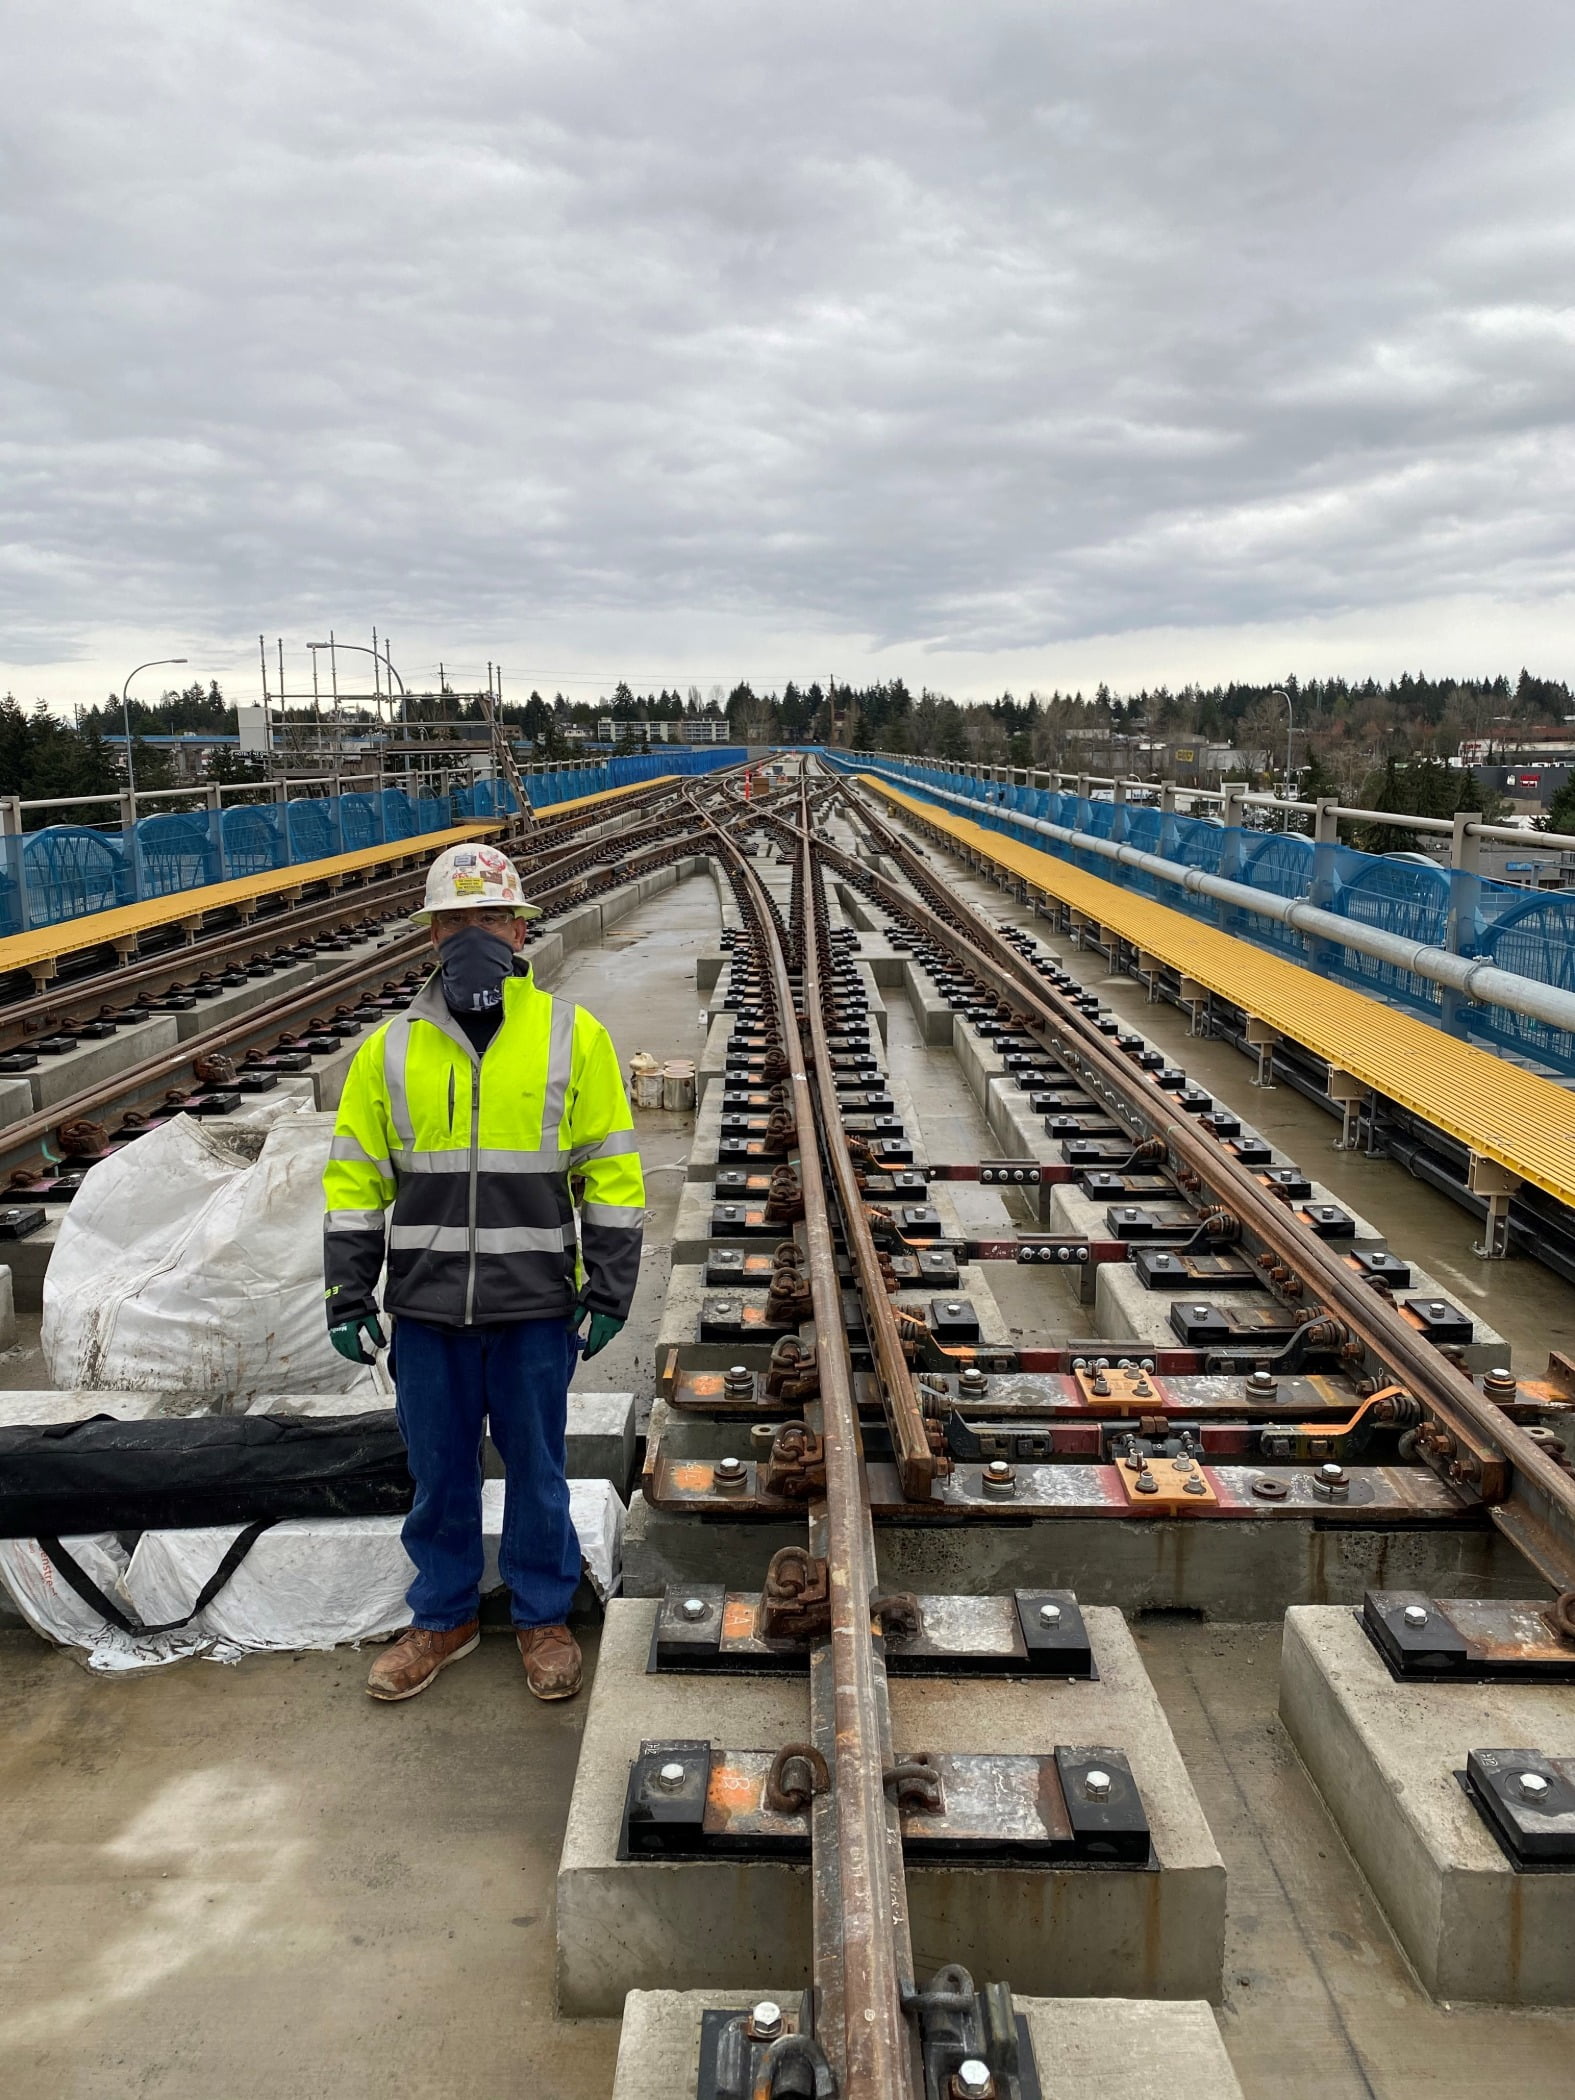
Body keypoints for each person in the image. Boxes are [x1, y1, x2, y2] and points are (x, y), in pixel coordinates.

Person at [321, 838, 644, 1702]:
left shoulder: (572, 1038)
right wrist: (347, 1291)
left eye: (490, 917)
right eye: (457, 918)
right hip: (426, 1308)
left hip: (535, 1305)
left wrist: (610, 1287)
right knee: (438, 1471)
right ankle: (444, 1617)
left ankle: (542, 1616)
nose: (475, 932)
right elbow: (356, 1180)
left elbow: (610, 1172)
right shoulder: (390, 1051)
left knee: (537, 1467)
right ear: (431, 934)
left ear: (519, 928)